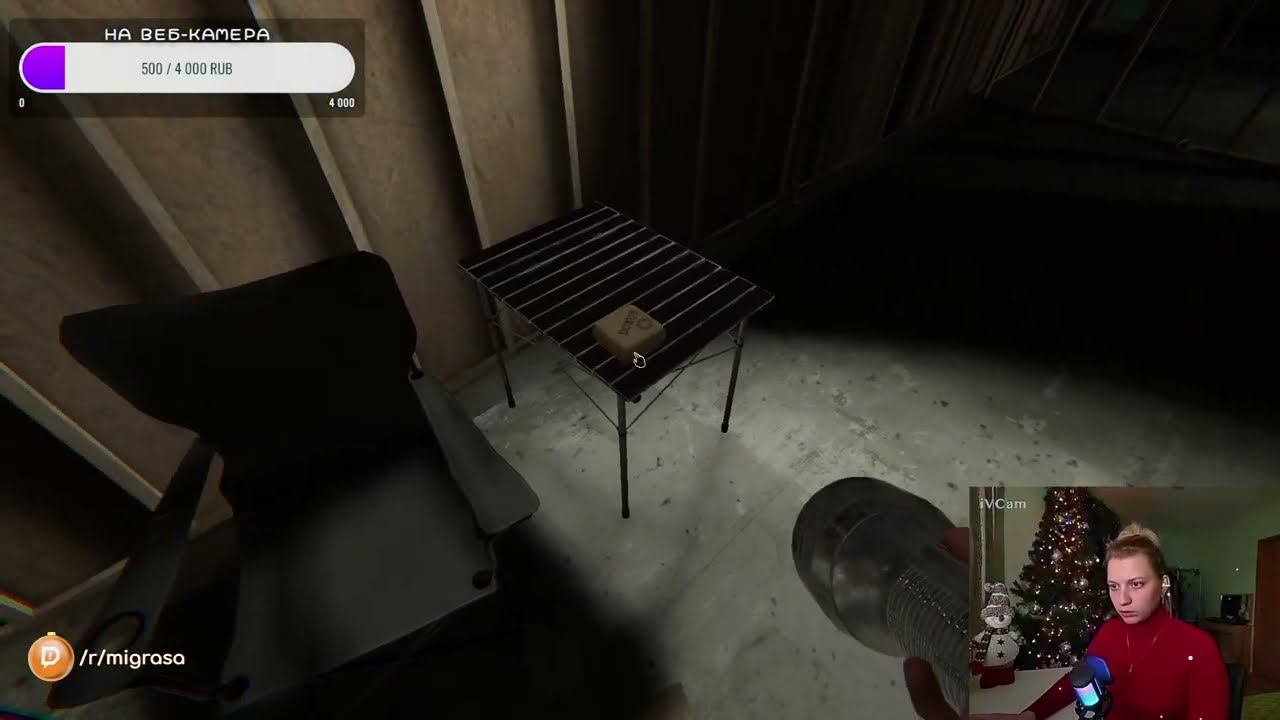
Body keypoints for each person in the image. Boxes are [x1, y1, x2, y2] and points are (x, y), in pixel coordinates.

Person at [905, 522, 1229, 720]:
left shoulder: (1199, 648)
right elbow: (1077, 680)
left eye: (1137, 584)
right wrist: (1030, 715)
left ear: (1163, 584)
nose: (1123, 600)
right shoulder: (1111, 632)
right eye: (1114, 586)